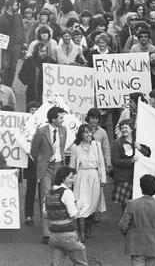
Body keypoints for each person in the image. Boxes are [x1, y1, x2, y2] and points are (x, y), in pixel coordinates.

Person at [31, 105, 68, 243]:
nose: (63, 120)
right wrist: (41, 162)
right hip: (46, 168)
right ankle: (47, 233)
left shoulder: (64, 130)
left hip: (59, 165)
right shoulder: (41, 131)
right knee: (47, 197)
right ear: (53, 119)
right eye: (61, 117)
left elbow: (62, 148)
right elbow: (34, 150)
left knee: (58, 197)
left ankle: (58, 228)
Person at [119, 174, 155, 266]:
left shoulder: (132, 204)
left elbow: (123, 226)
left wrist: (130, 235)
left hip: (137, 246)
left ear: (141, 187)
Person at [44, 166, 89, 266]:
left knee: (57, 264)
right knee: (81, 263)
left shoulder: (49, 193)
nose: (73, 181)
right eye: (71, 177)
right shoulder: (67, 193)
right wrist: (79, 206)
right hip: (67, 235)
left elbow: (45, 213)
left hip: (53, 236)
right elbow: (74, 215)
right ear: (63, 178)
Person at [70, 124, 107, 242]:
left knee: (92, 203)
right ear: (81, 134)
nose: (88, 135)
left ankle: (88, 228)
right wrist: (70, 180)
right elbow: (72, 165)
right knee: (80, 204)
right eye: (85, 132)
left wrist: (103, 179)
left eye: (90, 132)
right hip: (81, 176)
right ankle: (80, 233)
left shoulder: (97, 145)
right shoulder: (75, 147)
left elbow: (101, 162)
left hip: (94, 175)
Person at [0, 0, 26, 87]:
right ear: (10, 7)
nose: (17, 7)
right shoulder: (1, 19)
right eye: (16, 5)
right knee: (5, 67)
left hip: (17, 46)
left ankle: (9, 86)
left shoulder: (18, 16)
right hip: (6, 47)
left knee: (13, 68)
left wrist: (24, 42)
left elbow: (22, 29)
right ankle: (2, 86)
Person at [111, 119, 139, 212]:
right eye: (122, 128)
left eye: (126, 127)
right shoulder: (117, 143)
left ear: (131, 129)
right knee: (125, 206)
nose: (123, 130)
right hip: (124, 178)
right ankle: (125, 225)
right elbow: (115, 161)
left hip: (136, 177)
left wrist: (140, 147)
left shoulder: (137, 141)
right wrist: (130, 161)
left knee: (136, 205)